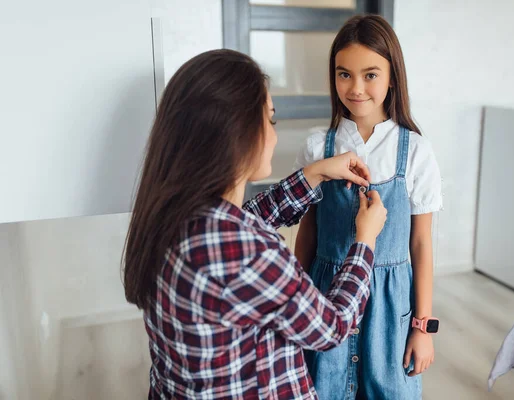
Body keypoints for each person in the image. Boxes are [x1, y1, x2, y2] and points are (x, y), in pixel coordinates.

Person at [121, 48, 388, 399]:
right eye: (270, 120)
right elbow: (332, 327)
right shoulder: (250, 251)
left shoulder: (170, 217)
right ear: (240, 133)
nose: (274, 136)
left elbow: (244, 219)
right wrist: (365, 240)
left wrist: (314, 174)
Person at [294, 15, 443, 399]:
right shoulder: (318, 148)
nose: (356, 88)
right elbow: (307, 233)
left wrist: (422, 328)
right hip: (328, 297)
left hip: (391, 308)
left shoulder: (415, 152)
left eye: (371, 75)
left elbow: (422, 244)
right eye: (344, 75)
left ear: (393, 77)